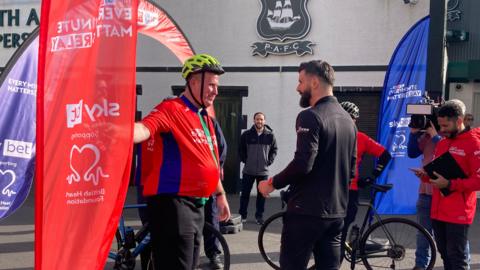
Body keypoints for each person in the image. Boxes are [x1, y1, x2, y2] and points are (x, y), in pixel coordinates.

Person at [133, 53, 231, 270]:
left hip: (197, 206)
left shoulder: (203, 117)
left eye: (217, 86)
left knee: (190, 265)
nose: (216, 90)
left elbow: (210, 161)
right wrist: (115, 129)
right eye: (212, 85)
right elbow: (144, 129)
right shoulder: (171, 109)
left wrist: (220, 194)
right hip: (173, 204)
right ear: (194, 81)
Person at [258, 60, 357, 270]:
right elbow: (351, 170)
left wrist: (272, 183)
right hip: (337, 213)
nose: (297, 87)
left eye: (300, 81)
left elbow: (303, 163)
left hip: (306, 213)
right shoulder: (348, 121)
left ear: (314, 82)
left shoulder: (310, 116)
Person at [412, 99, 480, 270]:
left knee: (457, 259)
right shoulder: (442, 143)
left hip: (459, 212)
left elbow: (478, 180)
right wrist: (426, 176)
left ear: (459, 121)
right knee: (445, 255)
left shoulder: (474, 144)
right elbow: (439, 174)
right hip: (437, 210)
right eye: (440, 126)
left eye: (445, 126)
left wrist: (450, 184)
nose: (441, 130)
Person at [339, 101, 391, 262]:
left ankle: (338, 258)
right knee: (335, 231)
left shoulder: (360, 138)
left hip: (350, 190)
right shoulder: (332, 136)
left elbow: (385, 155)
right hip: (335, 189)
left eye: (350, 118)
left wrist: (372, 176)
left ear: (355, 120)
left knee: (339, 231)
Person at [407, 116, 442, 270]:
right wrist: (413, 133)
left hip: (444, 195)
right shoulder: (425, 138)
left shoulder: (447, 139)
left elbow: (446, 151)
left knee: (450, 236)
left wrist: (435, 136)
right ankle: (421, 265)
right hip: (425, 193)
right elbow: (412, 152)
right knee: (423, 234)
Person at [238, 112, 278, 225]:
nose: (259, 121)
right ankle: (242, 215)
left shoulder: (270, 135)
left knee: (261, 196)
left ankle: (259, 217)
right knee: (245, 194)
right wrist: (245, 160)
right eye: (257, 119)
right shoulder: (246, 135)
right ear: (254, 120)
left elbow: (274, 150)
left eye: (261, 119)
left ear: (264, 121)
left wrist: (268, 161)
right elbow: (240, 149)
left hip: (263, 171)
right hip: (248, 171)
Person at [203, 118, 227, 269]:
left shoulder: (209, 121)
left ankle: (214, 255)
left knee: (211, 218)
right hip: (181, 185)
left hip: (207, 182)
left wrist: (215, 169)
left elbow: (222, 147)